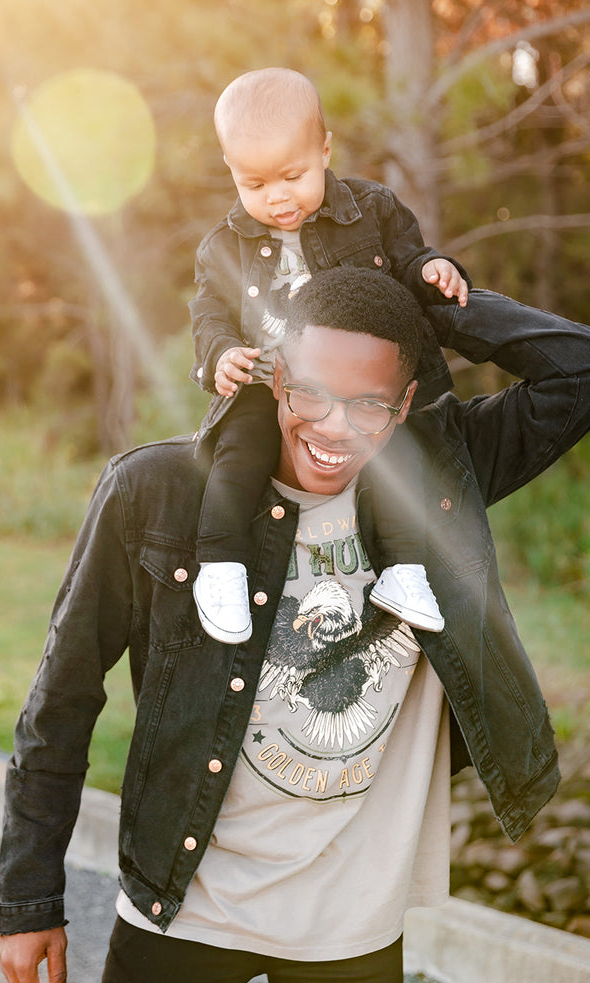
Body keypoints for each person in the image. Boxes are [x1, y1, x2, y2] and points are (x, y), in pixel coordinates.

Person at [0, 267, 590, 983]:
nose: (335, 426)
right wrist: (27, 900)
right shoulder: (154, 493)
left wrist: (430, 305)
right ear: (276, 378)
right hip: (182, 904)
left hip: (351, 927)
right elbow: (62, 700)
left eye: (370, 403)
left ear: (404, 405)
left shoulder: (439, 473)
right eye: (311, 395)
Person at [189, 66, 472, 644]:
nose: (277, 197)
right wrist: (220, 355)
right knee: (238, 450)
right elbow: (209, 313)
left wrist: (433, 269)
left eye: (292, 176)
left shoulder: (371, 209)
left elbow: (409, 260)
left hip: (362, 383)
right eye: (255, 184)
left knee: (403, 451)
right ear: (232, 172)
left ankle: (405, 570)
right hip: (272, 380)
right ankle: (220, 568)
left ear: (324, 149)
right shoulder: (222, 245)